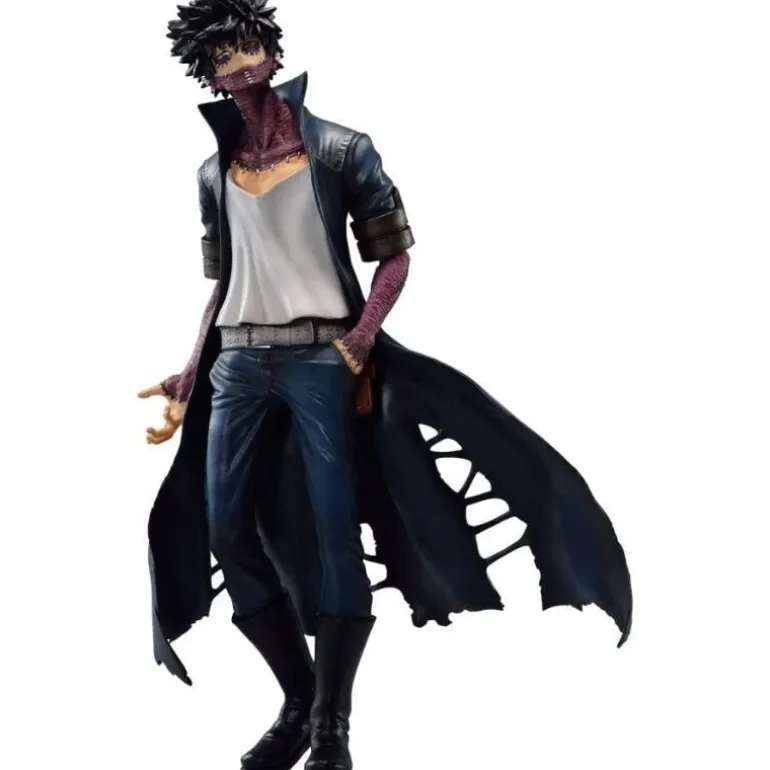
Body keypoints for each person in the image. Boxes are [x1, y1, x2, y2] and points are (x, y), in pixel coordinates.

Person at [139, 3, 633, 770]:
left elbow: (394, 256)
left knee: (336, 528)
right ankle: (299, 702)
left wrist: (362, 336)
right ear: (207, 76)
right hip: (236, 363)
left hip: (320, 358)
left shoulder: (341, 149)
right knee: (225, 528)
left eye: (247, 45)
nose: (238, 62)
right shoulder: (214, 173)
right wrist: (190, 365)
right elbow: (222, 283)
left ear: (271, 50)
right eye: (220, 56)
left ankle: (331, 728)